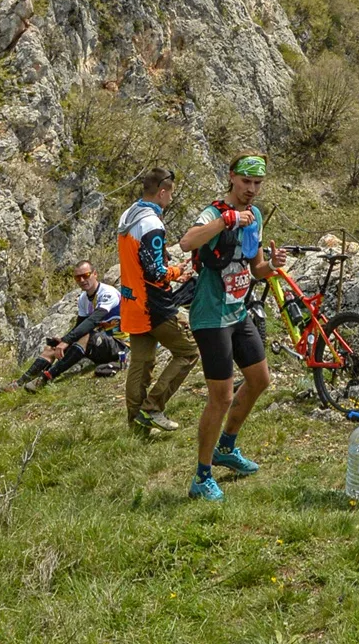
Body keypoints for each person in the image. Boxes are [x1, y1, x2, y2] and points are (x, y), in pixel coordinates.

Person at [179, 153, 287, 501]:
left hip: (238, 311)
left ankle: (226, 447)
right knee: (221, 396)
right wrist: (226, 220)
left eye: (257, 184)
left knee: (260, 380)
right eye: (246, 182)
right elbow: (187, 242)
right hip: (210, 317)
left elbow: (255, 268)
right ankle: (201, 475)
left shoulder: (254, 216)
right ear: (231, 178)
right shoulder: (215, 213)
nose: (252, 190)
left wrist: (272, 265)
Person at [117, 166, 199, 432]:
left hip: (131, 302)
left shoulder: (128, 215)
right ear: (162, 192)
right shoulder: (151, 223)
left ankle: (136, 426)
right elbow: (155, 272)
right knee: (188, 352)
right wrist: (178, 272)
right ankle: (153, 408)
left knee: (140, 364)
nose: (171, 200)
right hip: (155, 305)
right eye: (170, 194)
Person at [0, 261, 126, 393]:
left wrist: (67, 340)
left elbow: (92, 321)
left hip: (120, 346)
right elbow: (80, 325)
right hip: (100, 344)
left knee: (84, 336)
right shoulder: (83, 298)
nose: (83, 280)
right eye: (78, 277)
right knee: (52, 346)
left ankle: (45, 378)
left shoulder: (108, 293)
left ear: (95, 274)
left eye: (86, 275)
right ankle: (18, 384)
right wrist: (62, 341)